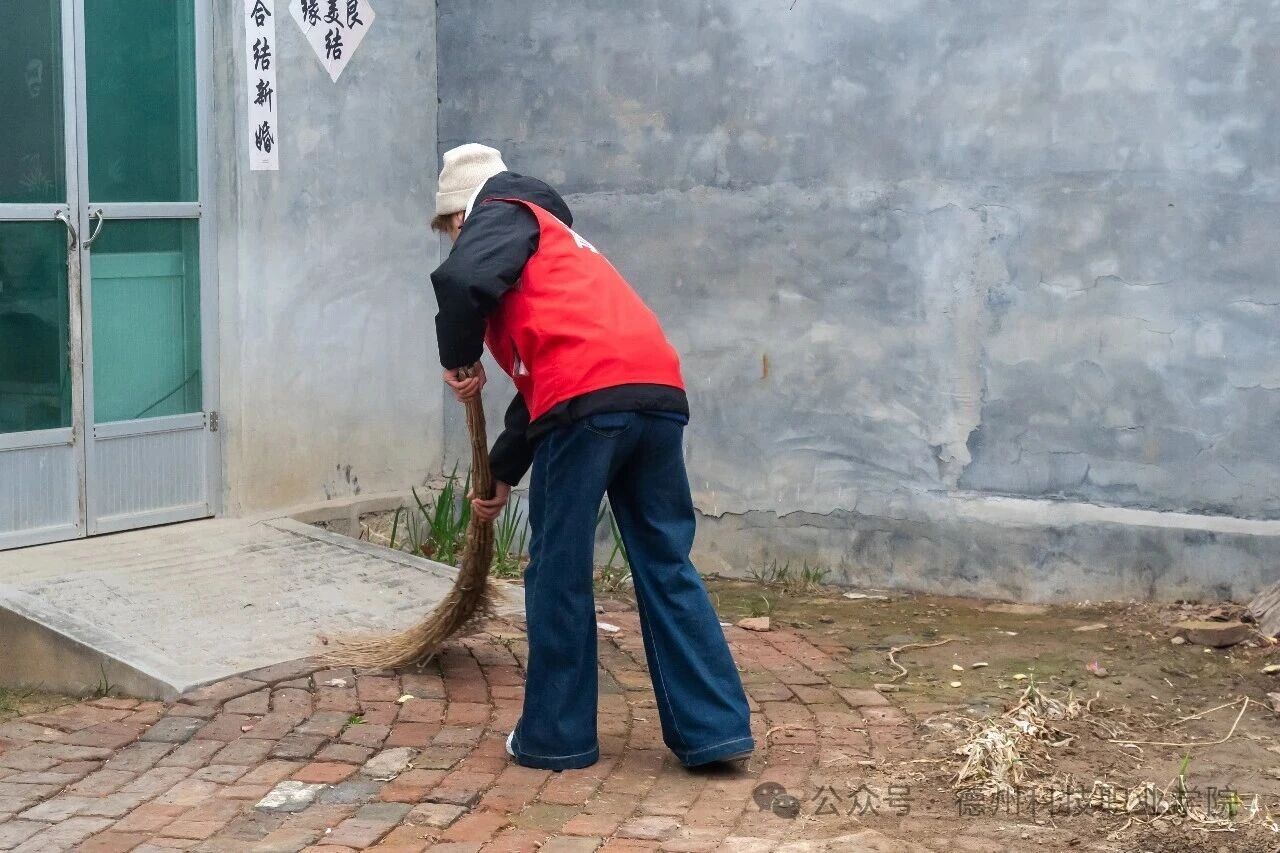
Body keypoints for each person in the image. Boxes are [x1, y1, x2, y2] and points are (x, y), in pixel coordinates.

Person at [429, 143, 753, 772]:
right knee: (666, 561)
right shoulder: (559, 247)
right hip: (654, 394)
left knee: (559, 569)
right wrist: (502, 471)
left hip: (587, 403)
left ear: (462, 215)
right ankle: (714, 729)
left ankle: (557, 736)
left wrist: (459, 359)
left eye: (452, 231)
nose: (458, 242)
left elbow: (460, 281)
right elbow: (549, 379)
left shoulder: (501, 208)